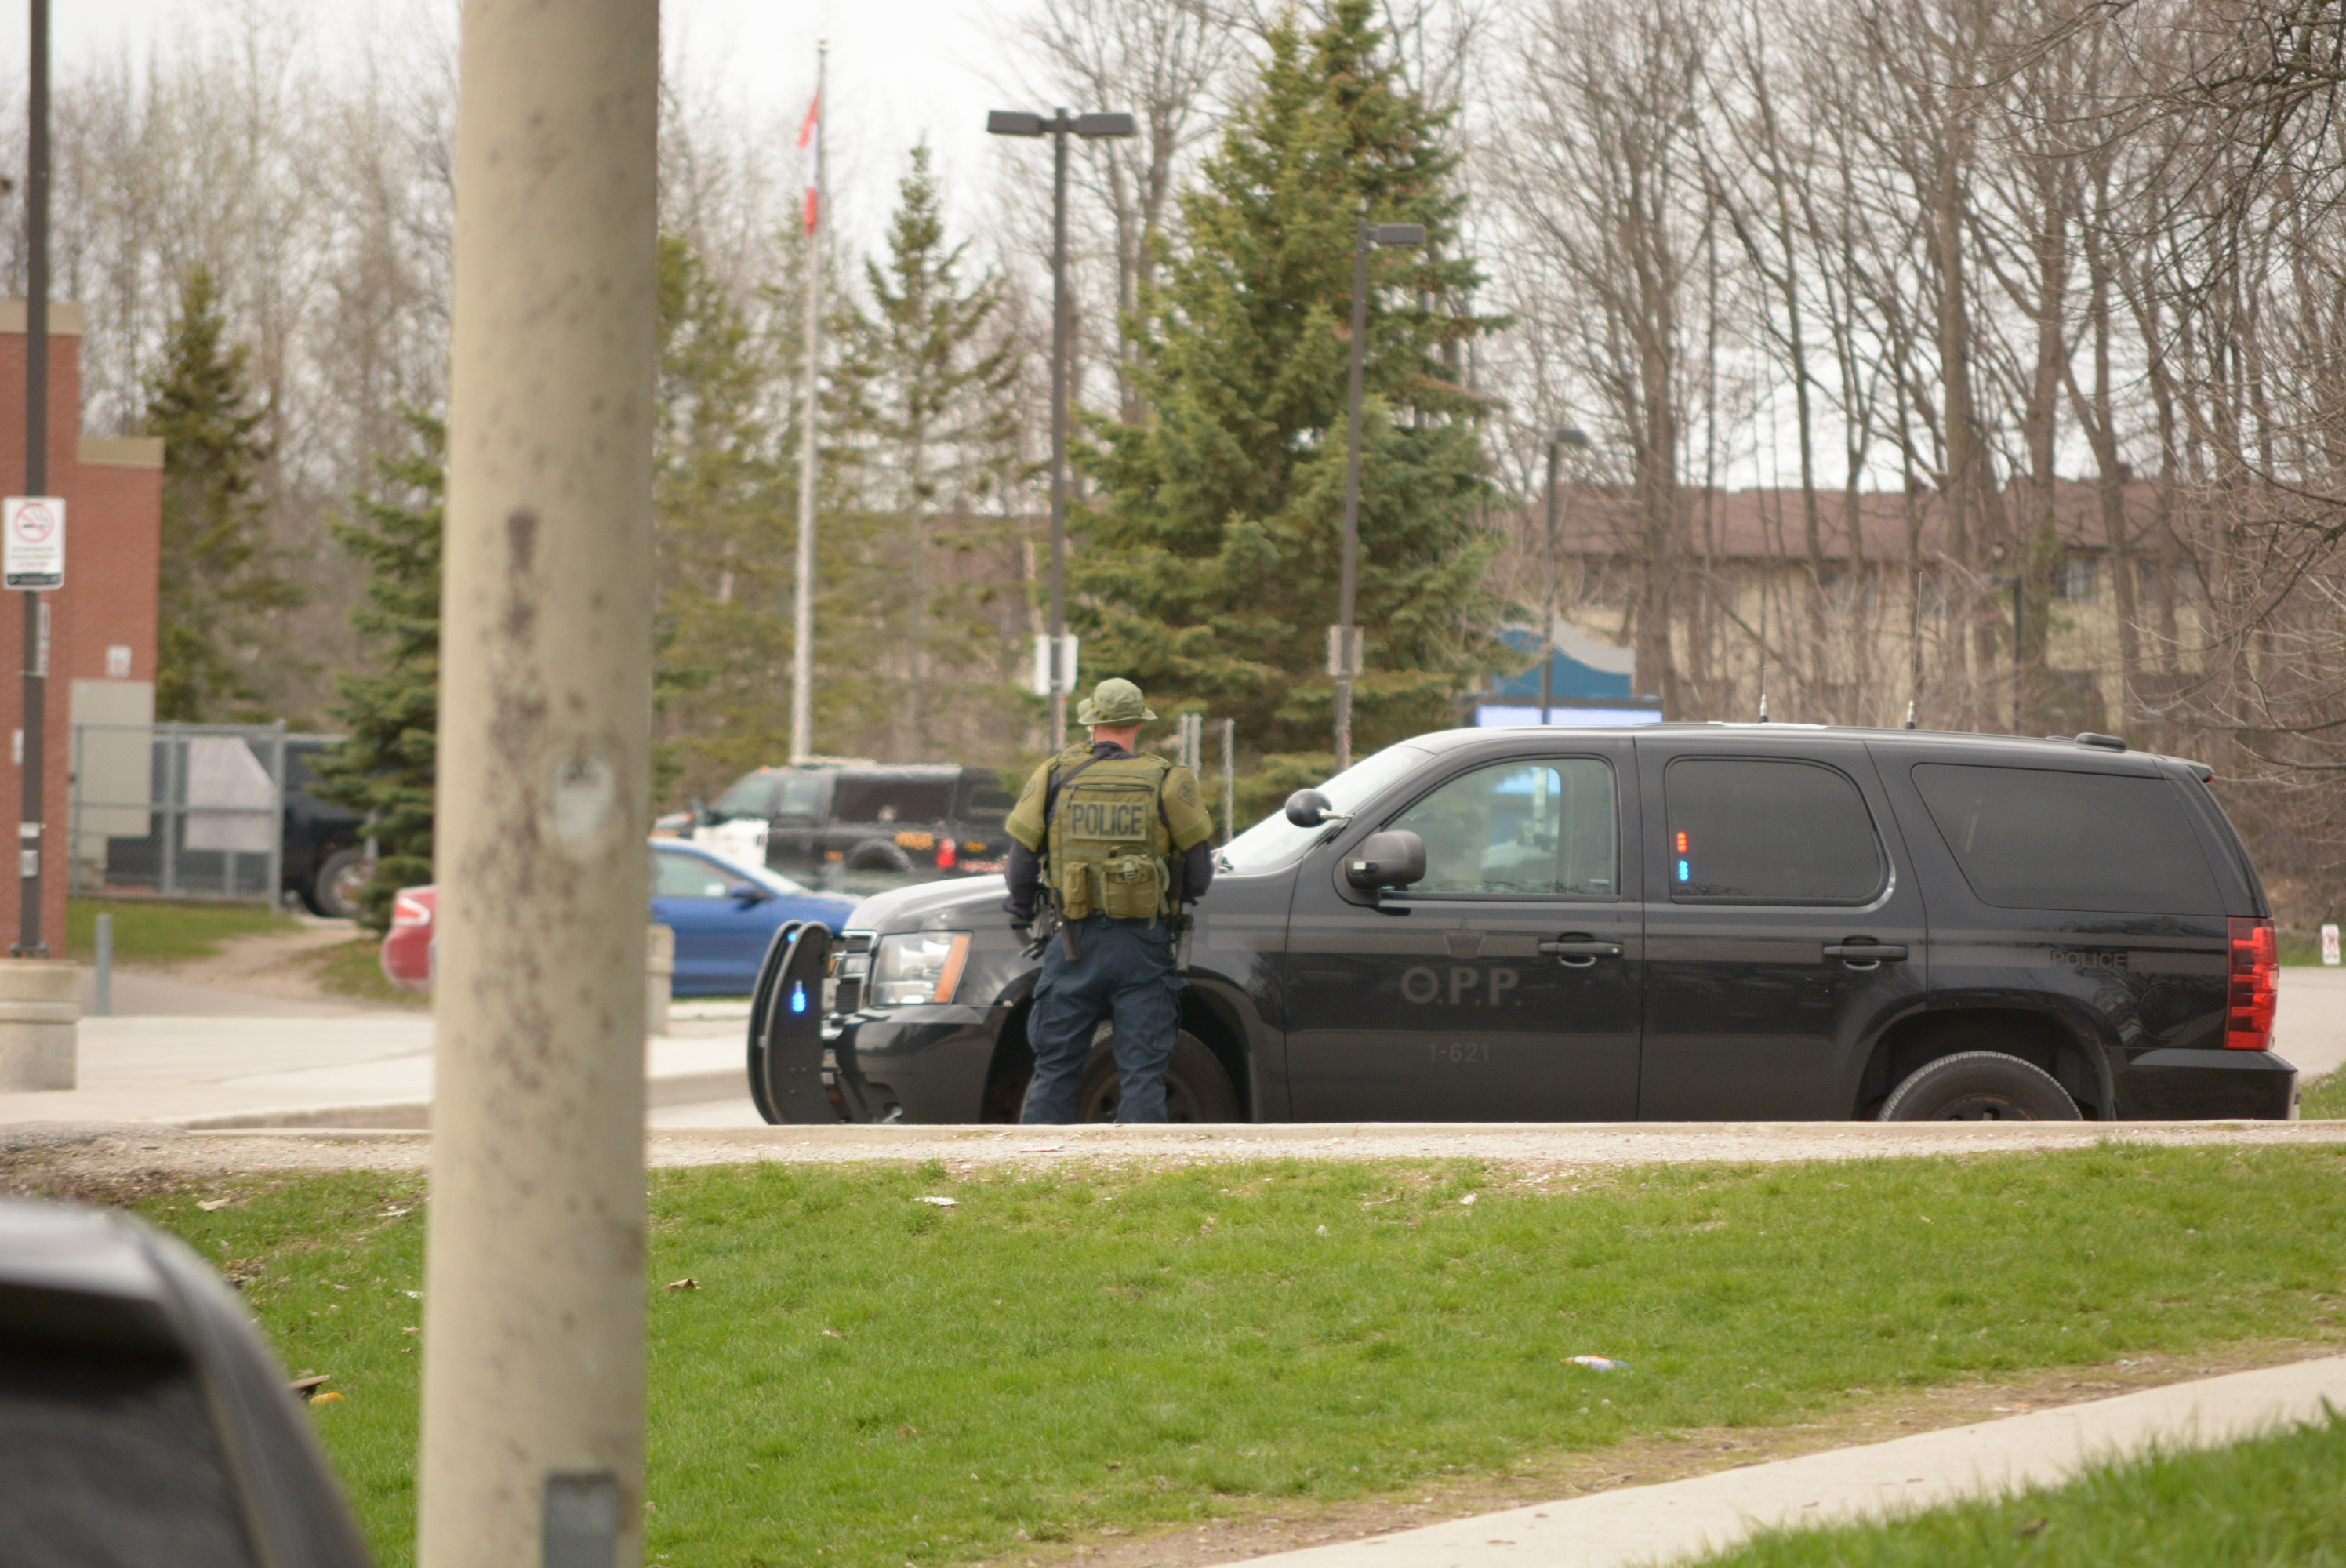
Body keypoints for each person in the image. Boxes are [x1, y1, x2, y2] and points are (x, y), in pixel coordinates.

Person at [1003, 677, 1215, 1123]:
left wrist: (1022, 912)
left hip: (1074, 942)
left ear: (1092, 723)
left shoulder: (1054, 775)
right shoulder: (1167, 780)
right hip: (1143, 945)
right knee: (1142, 1072)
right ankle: (1139, 1175)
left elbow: (1020, 868)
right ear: (1137, 725)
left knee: (1056, 1068)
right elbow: (1198, 876)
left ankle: (1036, 1172)